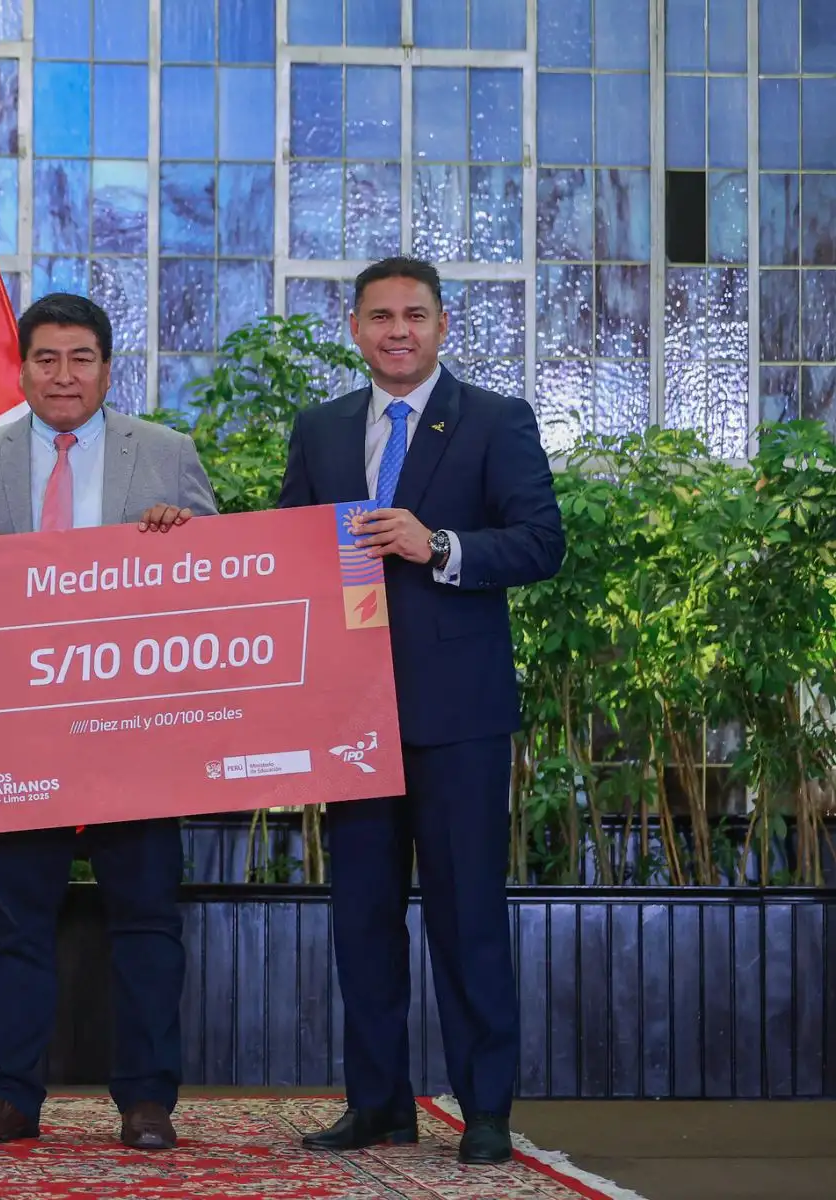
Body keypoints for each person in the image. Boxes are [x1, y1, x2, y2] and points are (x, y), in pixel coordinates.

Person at [279, 257, 564, 1165]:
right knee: (360, 917)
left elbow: (540, 542)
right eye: (380, 317)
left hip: (459, 720)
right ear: (354, 329)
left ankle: (484, 1110)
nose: (397, 330)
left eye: (415, 315)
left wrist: (435, 544)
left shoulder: (494, 420)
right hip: (350, 719)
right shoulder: (321, 428)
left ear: (442, 327)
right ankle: (378, 1104)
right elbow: (289, 552)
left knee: (466, 914)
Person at [0, 293, 216, 1152]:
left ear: (105, 366)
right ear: (21, 368)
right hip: (20, 733)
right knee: (16, 919)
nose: (64, 375)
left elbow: (223, 583)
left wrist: (186, 535)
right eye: (47, 359)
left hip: (138, 729)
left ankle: (147, 1102)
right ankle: (9, 1096)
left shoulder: (167, 456)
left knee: (147, 919)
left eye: (81, 358)